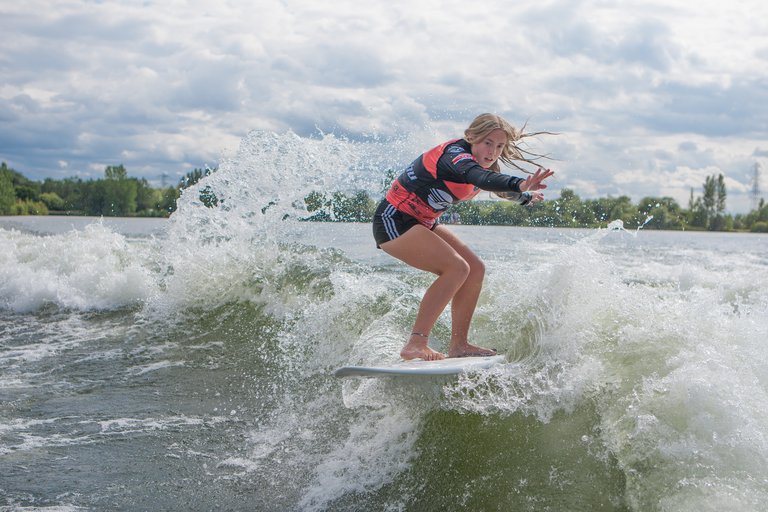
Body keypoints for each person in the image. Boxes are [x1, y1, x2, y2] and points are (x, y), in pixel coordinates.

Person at [372, 113, 554, 361]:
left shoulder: (484, 165)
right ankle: (416, 343)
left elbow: (493, 184)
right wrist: (520, 184)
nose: (492, 152)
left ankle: (459, 344)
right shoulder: (455, 158)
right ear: (471, 137)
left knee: (475, 268)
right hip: (394, 220)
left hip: (422, 222)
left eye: (499, 146)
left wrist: (524, 197)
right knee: (457, 268)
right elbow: (480, 178)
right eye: (487, 143)